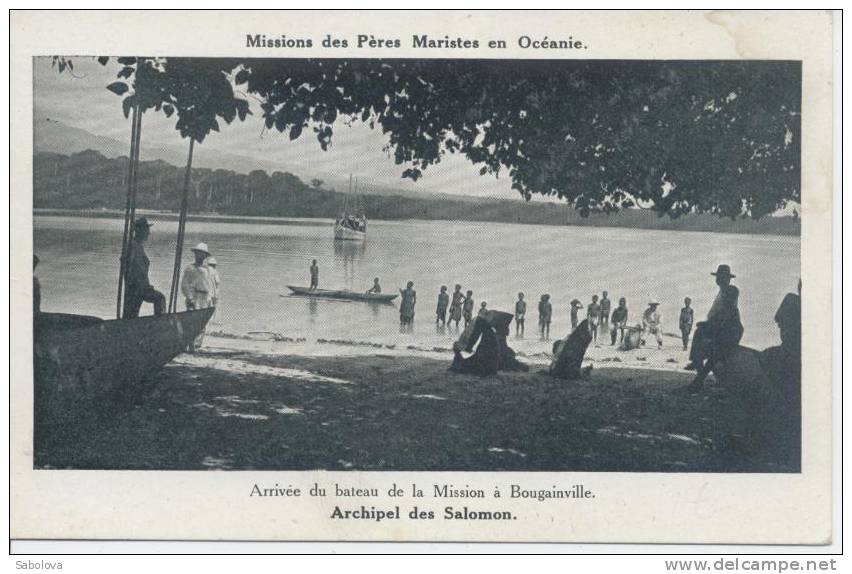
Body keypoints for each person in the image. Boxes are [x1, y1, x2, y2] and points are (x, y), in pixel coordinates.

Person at [686, 264, 744, 392]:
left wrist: (711, 325)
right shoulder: (721, 292)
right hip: (719, 327)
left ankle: (699, 379)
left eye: (721, 277)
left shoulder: (731, 290)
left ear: (727, 279)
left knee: (715, 350)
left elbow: (727, 313)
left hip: (730, 329)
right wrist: (707, 324)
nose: (718, 279)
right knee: (699, 335)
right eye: (718, 277)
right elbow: (716, 315)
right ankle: (698, 365)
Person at [450, 310, 528, 375]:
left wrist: (464, 348)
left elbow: (473, 338)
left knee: (465, 365)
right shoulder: (492, 334)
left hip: (488, 366)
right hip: (492, 366)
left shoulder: (488, 331)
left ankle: (458, 356)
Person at [122, 217, 166, 318]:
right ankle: (159, 324)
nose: (148, 233)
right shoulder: (132, 245)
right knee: (159, 298)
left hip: (141, 287)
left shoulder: (137, 245)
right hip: (136, 288)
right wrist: (137, 285)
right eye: (146, 230)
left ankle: (157, 324)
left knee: (131, 315)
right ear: (140, 230)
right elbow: (126, 264)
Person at [180, 242, 213, 351]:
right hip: (194, 296)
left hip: (204, 297)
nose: (199, 256)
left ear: (205, 256)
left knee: (202, 322)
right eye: (197, 253)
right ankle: (189, 344)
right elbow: (184, 285)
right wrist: (190, 297)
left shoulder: (208, 270)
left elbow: (210, 285)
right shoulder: (190, 268)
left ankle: (197, 345)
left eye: (202, 254)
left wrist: (210, 299)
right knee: (191, 321)